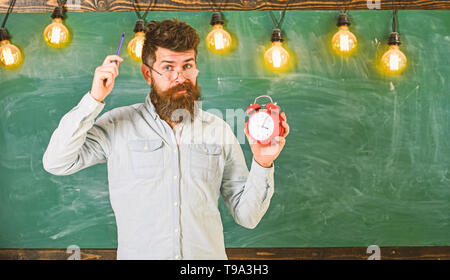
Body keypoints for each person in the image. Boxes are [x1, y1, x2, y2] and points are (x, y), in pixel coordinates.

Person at [42, 18, 290, 260]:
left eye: (187, 66)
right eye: (168, 67)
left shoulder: (219, 129)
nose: (180, 77)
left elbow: (247, 217)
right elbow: (56, 162)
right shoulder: (118, 125)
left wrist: (262, 163)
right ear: (147, 74)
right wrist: (93, 100)